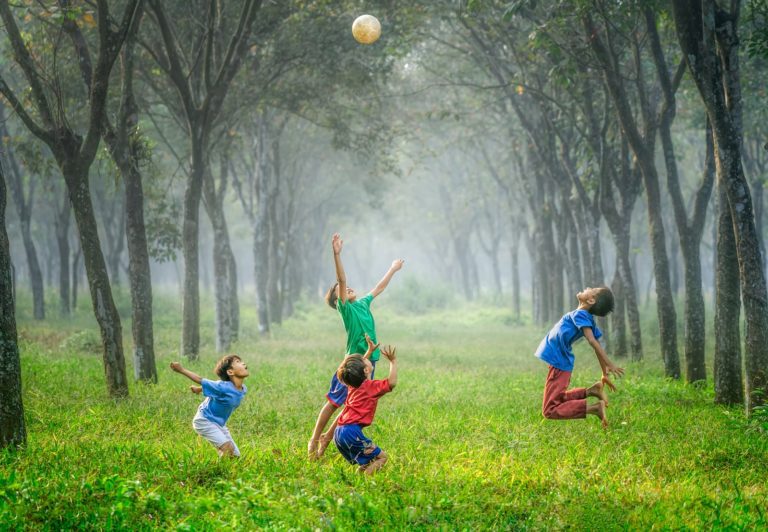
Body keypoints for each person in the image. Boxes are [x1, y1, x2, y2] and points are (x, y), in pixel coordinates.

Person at [307, 232, 404, 459]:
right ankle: (315, 439)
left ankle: (327, 440)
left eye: (346, 287)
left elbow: (378, 288)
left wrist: (392, 269)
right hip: (352, 363)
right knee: (333, 402)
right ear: (337, 299)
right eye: (340, 290)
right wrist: (336, 254)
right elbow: (341, 279)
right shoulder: (346, 309)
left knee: (352, 403)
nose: (347, 288)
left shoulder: (362, 303)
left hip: (370, 361)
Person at [535, 286, 624, 428]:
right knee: (557, 399)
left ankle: (594, 409)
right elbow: (595, 343)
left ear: (591, 300)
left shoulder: (581, 315)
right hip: (559, 362)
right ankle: (591, 391)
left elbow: (592, 341)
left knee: (549, 410)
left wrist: (609, 363)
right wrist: (604, 372)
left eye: (592, 289)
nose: (587, 288)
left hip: (559, 363)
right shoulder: (584, 316)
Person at [333, 338, 397, 475]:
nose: (365, 358)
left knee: (369, 460)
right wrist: (393, 362)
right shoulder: (371, 387)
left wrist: (369, 352)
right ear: (366, 369)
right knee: (382, 457)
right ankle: (365, 483)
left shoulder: (352, 384)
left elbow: (355, 369)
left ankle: (358, 478)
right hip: (351, 433)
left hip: (339, 432)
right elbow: (391, 383)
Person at [170, 355, 249, 457]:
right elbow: (200, 380)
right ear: (230, 372)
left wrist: (198, 389)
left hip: (219, 424)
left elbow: (214, 388)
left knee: (235, 456)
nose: (243, 363)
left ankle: (225, 468)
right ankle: (218, 472)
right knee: (227, 448)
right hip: (204, 420)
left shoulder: (243, 389)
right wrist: (181, 369)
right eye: (238, 362)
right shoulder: (222, 386)